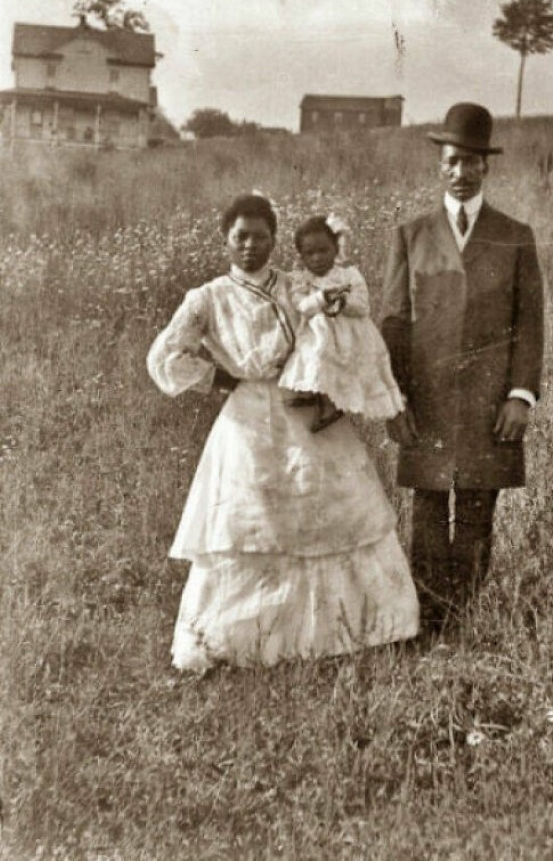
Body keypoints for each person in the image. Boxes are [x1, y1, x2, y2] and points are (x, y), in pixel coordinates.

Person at [147, 193, 419, 671]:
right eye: (241, 237)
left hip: (306, 408)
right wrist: (219, 378)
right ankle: (243, 641)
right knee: (255, 520)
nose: (251, 246)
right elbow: (164, 358)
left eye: (261, 237)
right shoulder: (207, 298)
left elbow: (338, 328)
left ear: (275, 239)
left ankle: (351, 630)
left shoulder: (297, 286)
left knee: (331, 511)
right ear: (226, 239)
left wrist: (336, 381)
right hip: (248, 419)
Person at [380, 103, 544, 631]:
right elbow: (393, 323)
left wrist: (521, 395)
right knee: (427, 512)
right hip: (423, 399)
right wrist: (392, 398)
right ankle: (427, 619)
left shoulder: (515, 235)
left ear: (486, 167)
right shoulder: (411, 234)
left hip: (488, 402)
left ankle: (464, 619)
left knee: (476, 509)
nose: (460, 172)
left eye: (472, 162)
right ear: (439, 165)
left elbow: (530, 323)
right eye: (452, 161)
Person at [278, 215, 405, 432]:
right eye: (310, 253)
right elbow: (302, 307)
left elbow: (363, 307)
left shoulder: (349, 275)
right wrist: (321, 299)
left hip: (350, 334)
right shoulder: (301, 280)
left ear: (336, 249)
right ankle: (313, 395)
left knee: (331, 357)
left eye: (323, 250)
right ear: (301, 256)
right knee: (314, 354)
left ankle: (331, 405)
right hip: (318, 331)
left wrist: (342, 301)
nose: (317, 258)